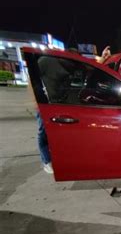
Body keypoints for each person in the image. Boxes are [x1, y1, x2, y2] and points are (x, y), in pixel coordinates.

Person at [36, 45, 111, 174]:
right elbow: (33, 79)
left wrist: (103, 58)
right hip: (47, 104)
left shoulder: (75, 63)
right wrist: (36, 99)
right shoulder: (46, 61)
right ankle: (46, 161)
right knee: (44, 132)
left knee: (63, 133)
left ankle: (63, 156)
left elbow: (92, 67)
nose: (73, 68)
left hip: (63, 102)